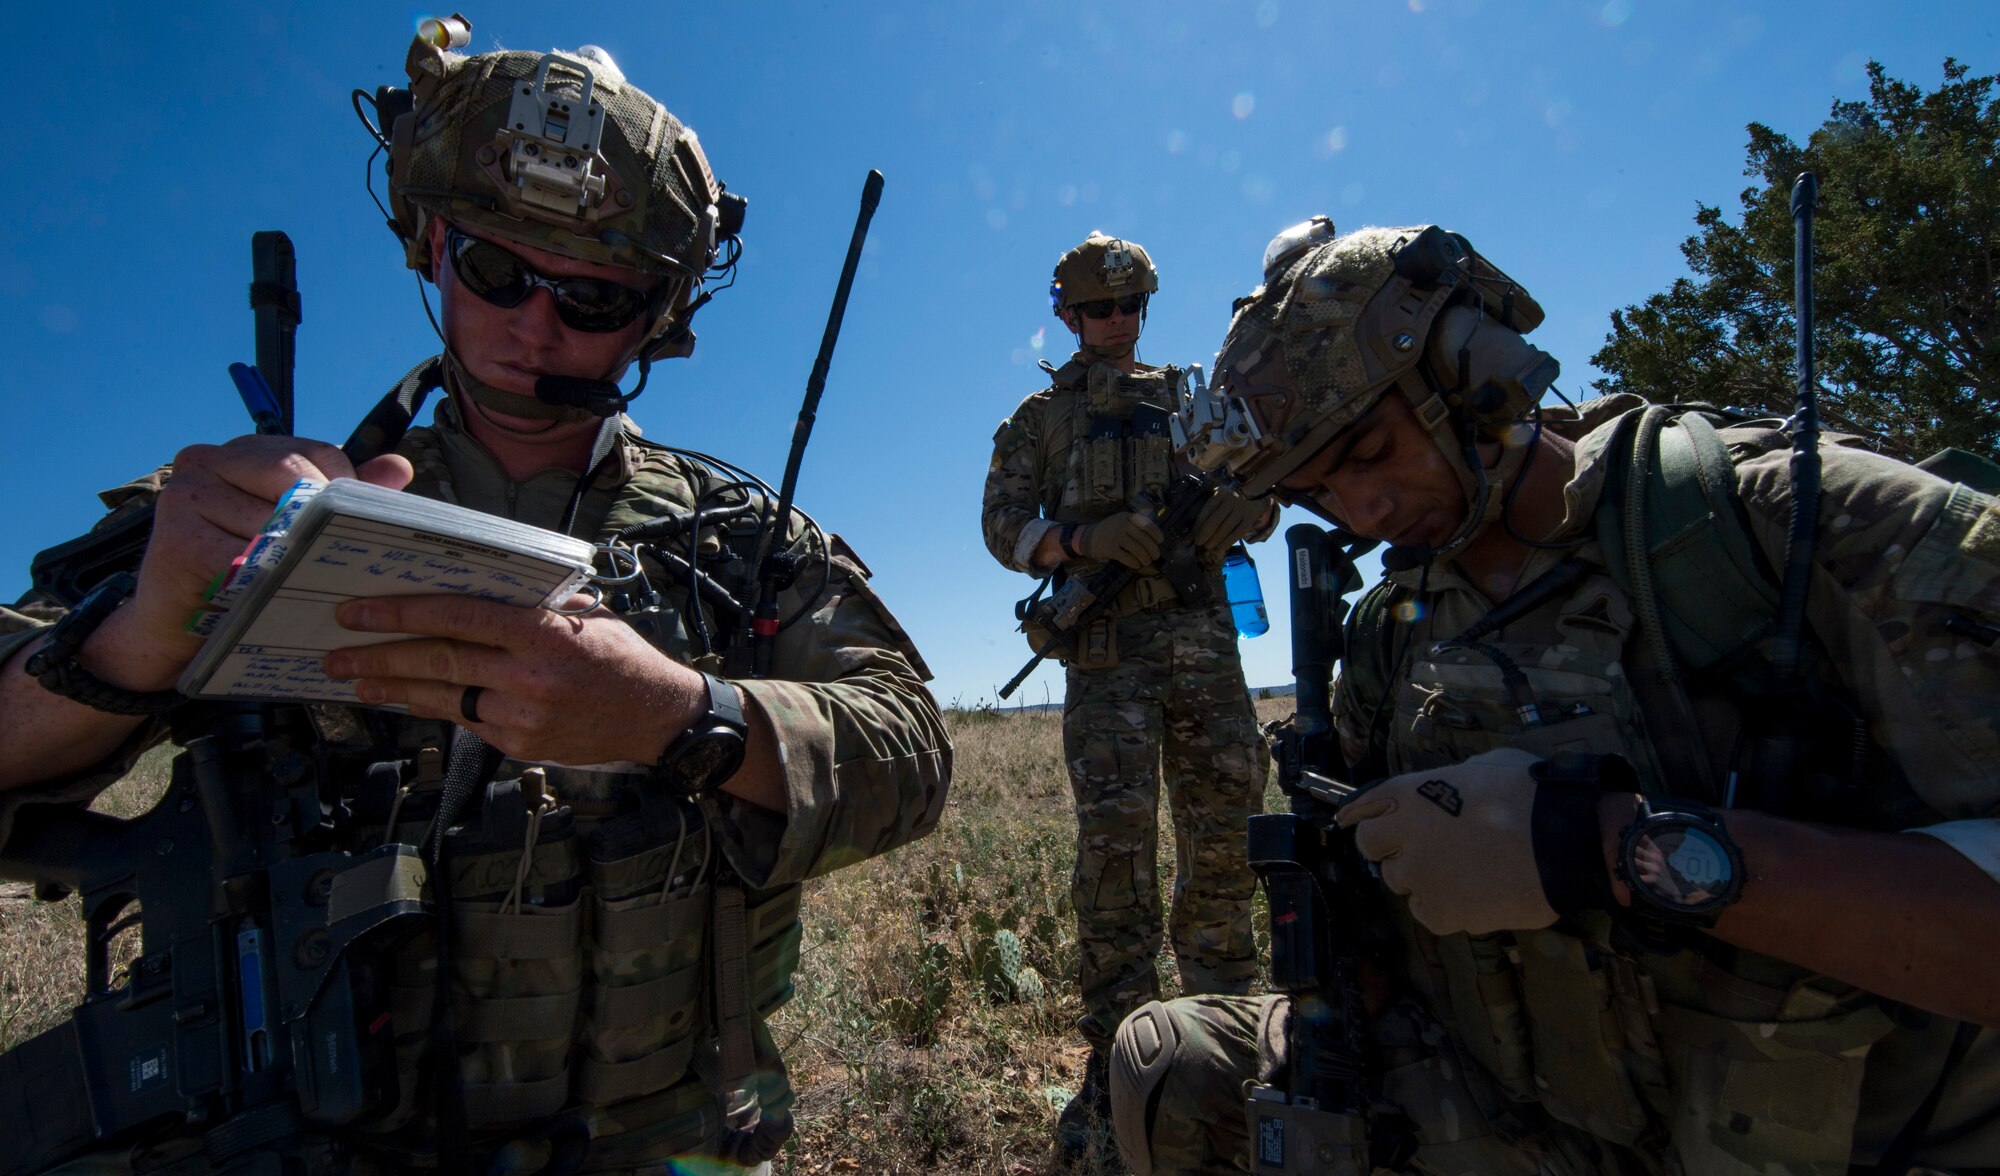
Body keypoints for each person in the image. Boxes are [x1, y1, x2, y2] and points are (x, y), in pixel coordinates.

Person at [0, 18, 950, 1174]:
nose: (531, 323)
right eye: (495, 270)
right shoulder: (244, 509)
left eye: (592, 298)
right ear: (432, 246)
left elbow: (910, 753)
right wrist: (149, 633)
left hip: (661, 1144)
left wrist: (677, 717)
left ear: (657, 315)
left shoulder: (740, 540)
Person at [1109, 220, 2000, 1174]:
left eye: (1370, 449)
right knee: (1179, 1067)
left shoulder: (1794, 529)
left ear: (1470, 373)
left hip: (1840, 1137)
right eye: (1320, 491)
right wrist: (1333, 995)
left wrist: (1599, 848)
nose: (1361, 513)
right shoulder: (1388, 632)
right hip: (1542, 1114)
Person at [980, 231, 1274, 1161]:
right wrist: (1080, 540)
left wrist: (1246, 511)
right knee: (1115, 850)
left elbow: (1269, 487)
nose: (1116, 322)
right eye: (1098, 308)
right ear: (1066, 315)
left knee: (1225, 829)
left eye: (1130, 305)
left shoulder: (1197, 402)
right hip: (1106, 656)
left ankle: (1228, 1032)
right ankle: (1120, 1053)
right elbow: (1001, 524)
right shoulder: (1041, 417)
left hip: (1205, 649)